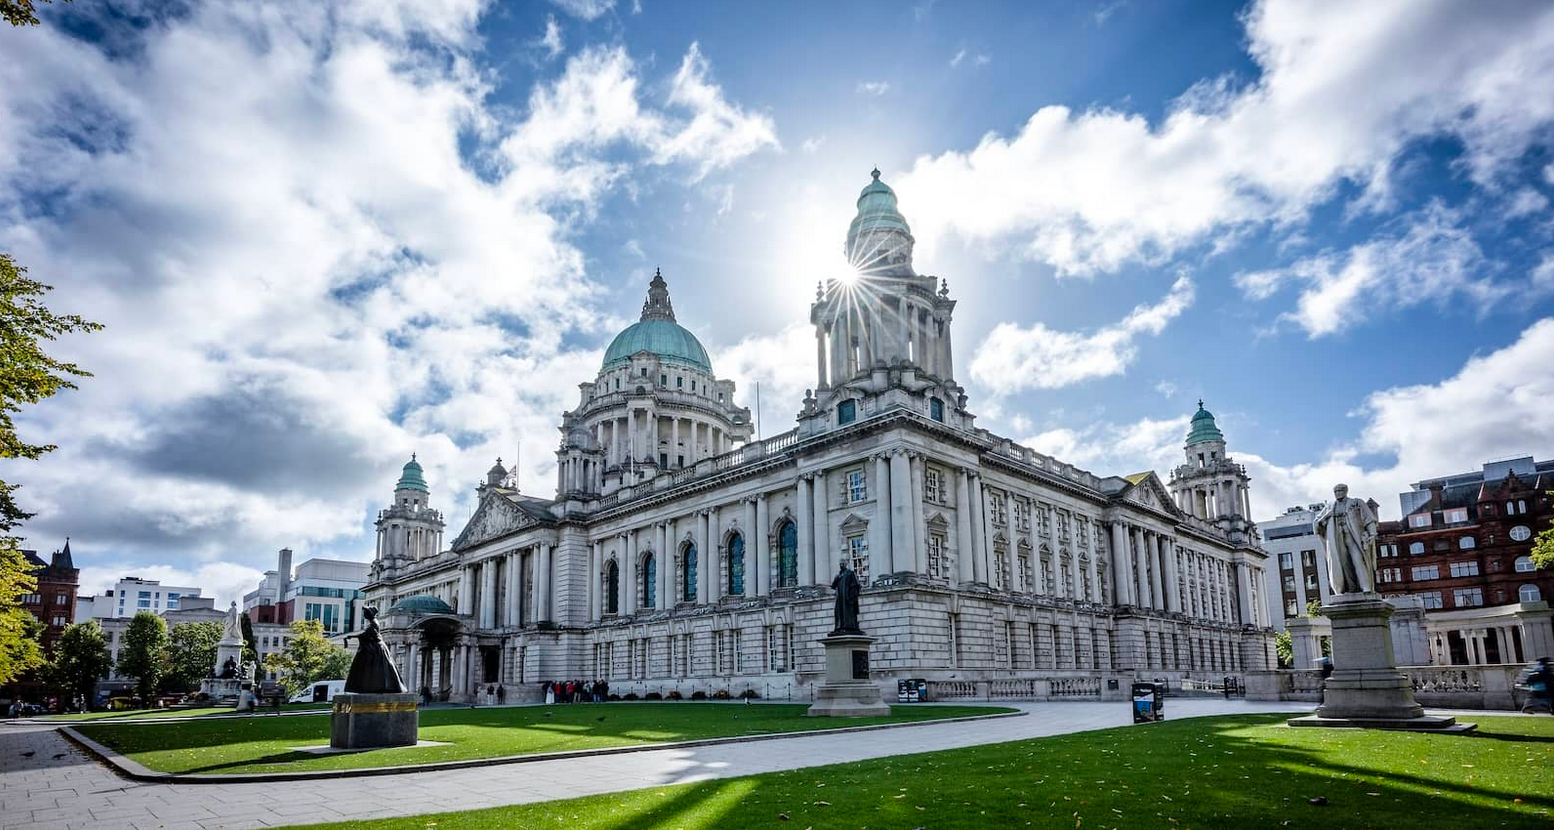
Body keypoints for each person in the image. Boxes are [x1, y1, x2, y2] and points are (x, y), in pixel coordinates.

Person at [342, 606, 407, 694]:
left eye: (366, 613)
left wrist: (351, 636)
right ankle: (369, 686)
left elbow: (367, 634)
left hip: (376, 649)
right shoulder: (373, 623)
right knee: (372, 668)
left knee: (376, 668)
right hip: (374, 647)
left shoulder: (374, 623)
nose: (364, 614)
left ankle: (378, 686)